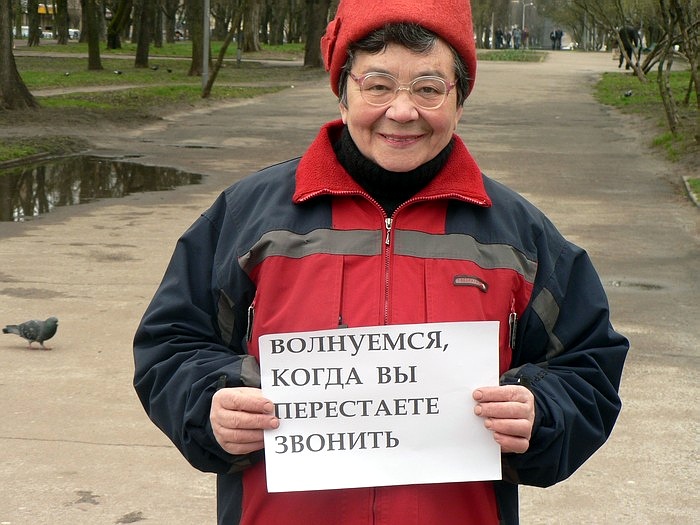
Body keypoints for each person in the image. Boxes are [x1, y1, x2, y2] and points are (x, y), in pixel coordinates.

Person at [132, 0, 629, 523]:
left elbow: (589, 367)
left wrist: (541, 412)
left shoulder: (520, 237)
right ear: (343, 93)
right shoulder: (247, 219)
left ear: (459, 102)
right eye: (378, 85)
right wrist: (209, 404)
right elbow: (170, 343)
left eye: (428, 88)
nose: (402, 111)